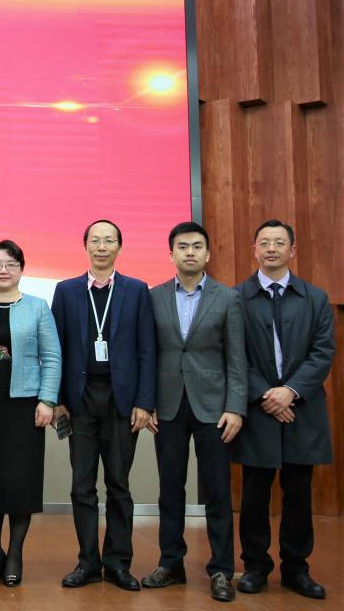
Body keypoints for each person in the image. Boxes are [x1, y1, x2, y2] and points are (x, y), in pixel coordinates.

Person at [140, 221, 245, 602]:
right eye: (182, 246)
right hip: (167, 406)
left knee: (217, 491)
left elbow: (237, 358)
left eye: (196, 246)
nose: (189, 252)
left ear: (207, 254)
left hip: (214, 408)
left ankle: (221, 570)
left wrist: (235, 407)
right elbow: (147, 354)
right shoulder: (153, 297)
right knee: (170, 489)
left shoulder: (228, 298)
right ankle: (171, 563)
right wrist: (146, 401)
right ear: (171, 254)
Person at [233, 219, 335, 600]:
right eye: (265, 243)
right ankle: (255, 566)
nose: (271, 249)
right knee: (254, 493)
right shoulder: (236, 298)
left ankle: (296, 568)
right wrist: (267, 395)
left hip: (301, 409)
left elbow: (323, 353)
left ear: (292, 250)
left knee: (299, 492)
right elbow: (234, 355)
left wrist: (289, 392)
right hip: (258, 408)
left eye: (279, 243)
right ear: (254, 249)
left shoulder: (315, 298)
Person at [51, 219, 155, 591]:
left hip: (121, 399)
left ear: (119, 247)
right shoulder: (66, 291)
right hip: (80, 400)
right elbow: (56, 348)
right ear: (85, 246)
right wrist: (58, 400)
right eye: (95, 240)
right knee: (81, 485)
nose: (101, 246)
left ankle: (118, 563)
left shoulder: (137, 290)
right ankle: (87, 563)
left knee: (118, 485)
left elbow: (147, 349)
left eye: (109, 240)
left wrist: (145, 402)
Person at [0, 239, 60, 588]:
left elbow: (52, 357)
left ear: (21, 269)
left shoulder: (38, 307)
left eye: (11, 264)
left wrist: (47, 400)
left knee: (22, 484)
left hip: (26, 408)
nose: (3, 270)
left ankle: (16, 553)